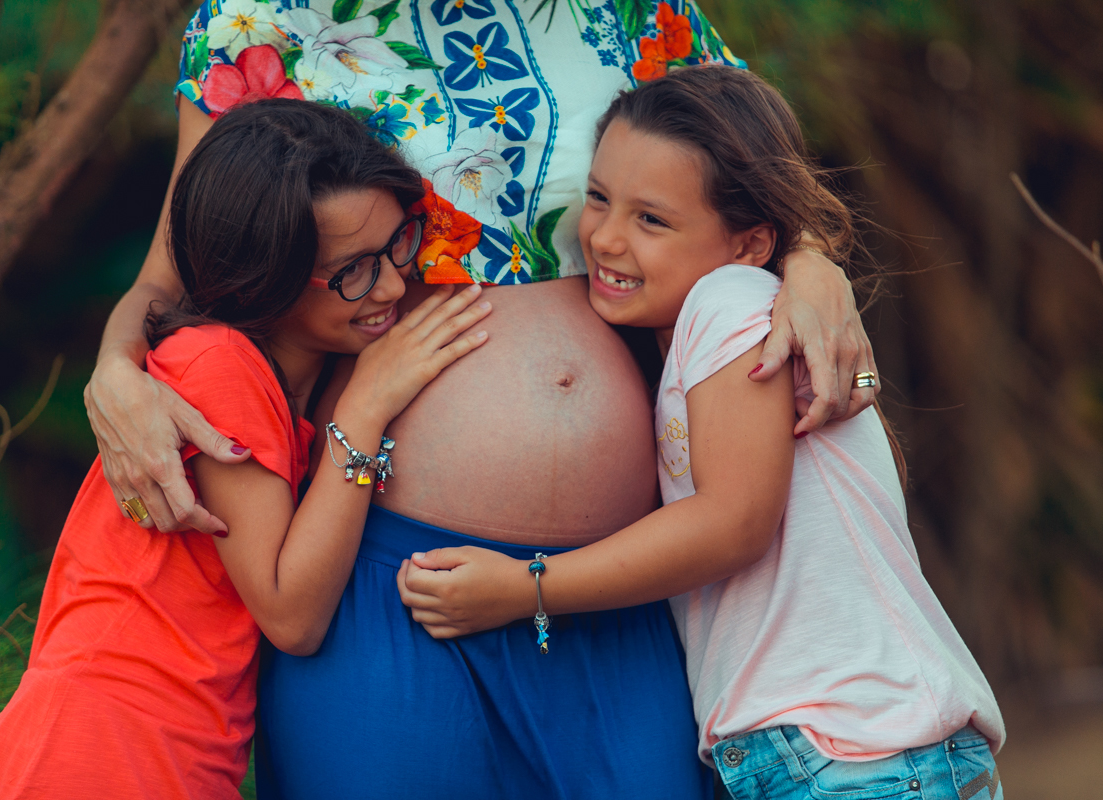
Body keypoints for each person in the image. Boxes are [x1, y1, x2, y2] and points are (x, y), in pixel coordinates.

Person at [83, 0, 881, 796]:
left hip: (620, 583)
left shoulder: (631, 12)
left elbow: (755, 184)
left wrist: (811, 260)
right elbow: (177, 273)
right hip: (398, 578)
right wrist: (116, 369)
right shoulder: (259, 23)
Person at [397, 66, 1006, 800]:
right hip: (825, 751)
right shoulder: (701, 327)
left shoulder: (733, 301)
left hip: (855, 752)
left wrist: (526, 587)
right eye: (597, 199)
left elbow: (735, 522)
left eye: (651, 219)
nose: (607, 238)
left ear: (749, 244)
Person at [0, 100, 492, 800]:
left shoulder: (267, 376)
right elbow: (291, 615)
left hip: (154, 744)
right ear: (268, 272)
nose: (390, 285)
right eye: (353, 271)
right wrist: (364, 408)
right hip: (108, 746)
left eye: (400, 246)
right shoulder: (217, 366)